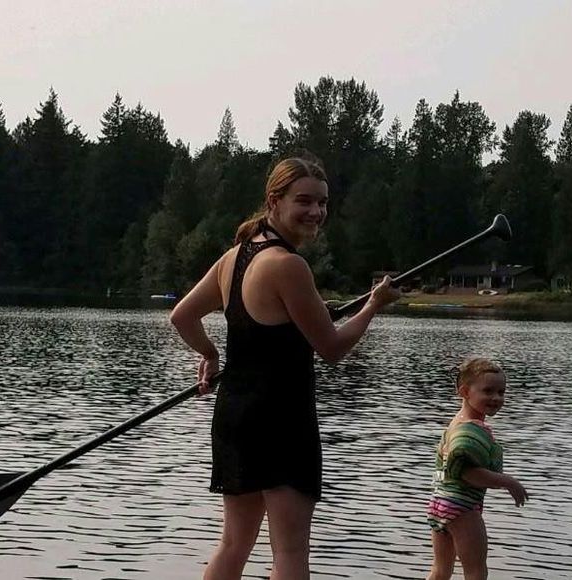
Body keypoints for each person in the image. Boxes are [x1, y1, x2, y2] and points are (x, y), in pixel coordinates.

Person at [169, 156, 400, 580]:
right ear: (274, 201)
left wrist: (210, 353)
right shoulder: (287, 265)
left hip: (235, 417)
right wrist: (373, 305)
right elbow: (332, 348)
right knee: (290, 552)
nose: (316, 212)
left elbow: (182, 317)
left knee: (234, 544)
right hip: (282, 421)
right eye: (304, 201)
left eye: (323, 203)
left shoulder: (234, 258)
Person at [426, 357, 529, 580]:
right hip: (462, 507)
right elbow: (465, 472)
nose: (496, 398)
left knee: (440, 571)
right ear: (465, 392)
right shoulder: (469, 429)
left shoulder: (457, 422)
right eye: (488, 391)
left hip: (440, 504)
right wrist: (508, 482)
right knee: (476, 572)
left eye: (501, 392)